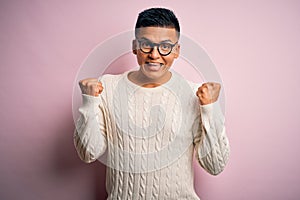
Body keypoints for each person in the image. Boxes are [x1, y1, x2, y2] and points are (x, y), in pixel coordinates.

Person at [74, 7, 230, 200]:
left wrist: (210, 109)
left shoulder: (194, 94)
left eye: (165, 46)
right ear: (134, 46)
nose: (154, 55)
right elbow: (88, 153)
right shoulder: (107, 87)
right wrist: (89, 102)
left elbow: (215, 165)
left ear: (177, 51)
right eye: (146, 44)